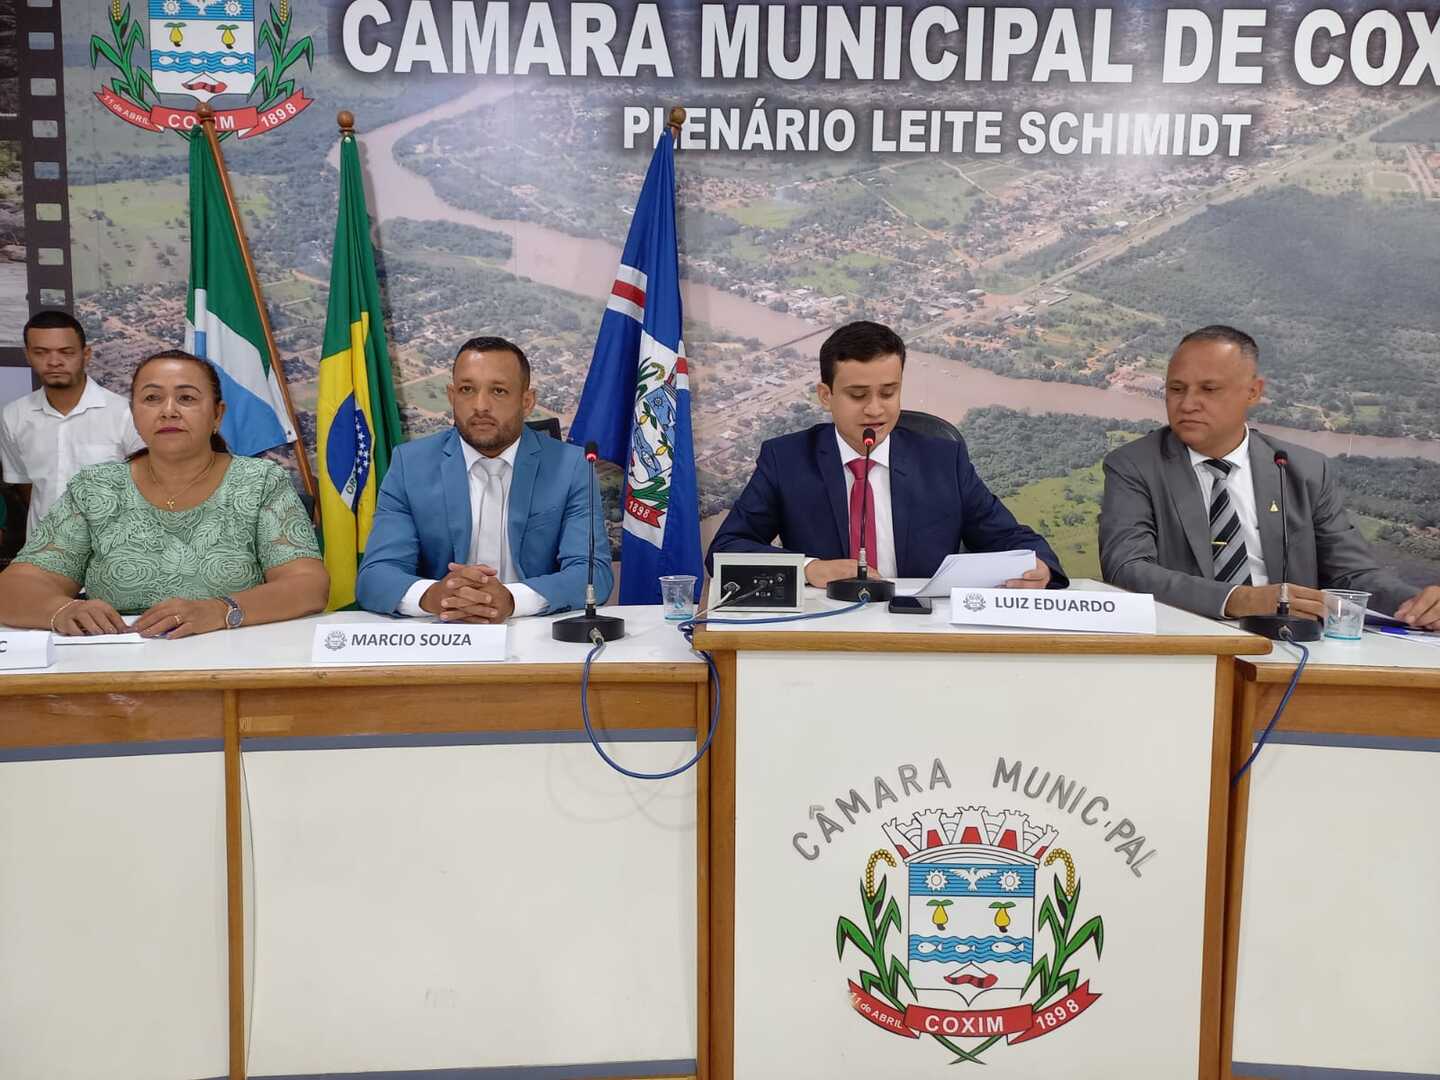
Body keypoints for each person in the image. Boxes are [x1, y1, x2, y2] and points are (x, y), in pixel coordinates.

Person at [1100, 325, 1440, 628]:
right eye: (1176, 389)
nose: (1188, 403)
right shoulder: (1134, 465)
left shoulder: (1304, 469)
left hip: (1292, 646)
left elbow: (1352, 573)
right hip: (1189, 640)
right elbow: (1127, 568)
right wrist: (1238, 599)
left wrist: (1413, 604)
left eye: (1209, 389)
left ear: (1253, 392)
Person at [708, 321, 1067, 588]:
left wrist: (1042, 567)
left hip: (924, 633)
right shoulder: (786, 460)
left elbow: (1014, 541)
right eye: (858, 395)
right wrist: (809, 568)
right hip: (827, 631)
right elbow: (725, 551)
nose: (875, 410)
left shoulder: (944, 460)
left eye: (888, 392)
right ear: (825, 395)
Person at [0, 349, 328, 636]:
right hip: (118, 670)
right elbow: (15, 587)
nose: (168, 410)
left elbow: (308, 586)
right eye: (152, 398)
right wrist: (60, 610)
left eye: (186, 398)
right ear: (135, 413)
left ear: (217, 415)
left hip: (231, 659)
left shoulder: (260, 482)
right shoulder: (96, 488)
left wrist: (220, 610)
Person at [355, 336, 611, 623]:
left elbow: (593, 574)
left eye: (499, 391)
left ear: (527, 402)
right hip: (442, 635)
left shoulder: (571, 466)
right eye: (467, 389)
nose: (480, 405)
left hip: (533, 630)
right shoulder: (409, 465)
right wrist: (435, 596)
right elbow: (375, 576)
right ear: (452, 397)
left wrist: (512, 600)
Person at [0, 310, 144, 538]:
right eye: (41, 352)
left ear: (86, 354)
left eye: (66, 352)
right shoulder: (14, 415)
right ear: (28, 355)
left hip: (109, 554)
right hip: (42, 554)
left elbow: (147, 489)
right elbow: (26, 485)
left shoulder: (126, 414)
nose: (54, 362)